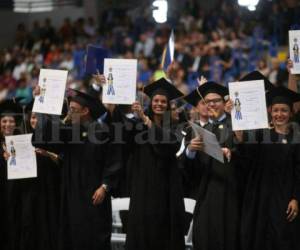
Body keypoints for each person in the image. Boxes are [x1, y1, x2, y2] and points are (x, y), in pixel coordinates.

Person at [33, 87, 122, 250]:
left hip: (94, 196)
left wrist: (104, 186)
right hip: (72, 195)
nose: (69, 113)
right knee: (72, 237)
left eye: (73, 110)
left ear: (85, 111)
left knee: (94, 238)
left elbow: (114, 161)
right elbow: (41, 140)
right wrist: (41, 103)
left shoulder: (104, 132)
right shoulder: (69, 132)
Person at [125, 77, 186, 250]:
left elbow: (170, 145)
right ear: (150, 103)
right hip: (143, 187)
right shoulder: (137, 125)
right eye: (156, 100)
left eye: (163, 101)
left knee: (164, 233)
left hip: (166, 188)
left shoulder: (175, 126)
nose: (159, 104)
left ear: (168, 105)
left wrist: (145, 119)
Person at [182, 81, 241, 250]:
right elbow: (190, 172)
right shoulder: (200, 130)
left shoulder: (235, 125)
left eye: (216, 100)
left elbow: (247, 154)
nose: (212, 104)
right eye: (208, 102)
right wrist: (190, 152)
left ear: (224, 103)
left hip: (229, 193)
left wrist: (232, 152)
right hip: (205, 194)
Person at [240, 86, 300, 250]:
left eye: (284, 110)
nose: (279, 114)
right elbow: (246, 154)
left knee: (282, 237)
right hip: (260, 196)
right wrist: (236, 114)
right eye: (276, 110)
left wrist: (296, 198)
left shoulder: (296, 139)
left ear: (291, 113)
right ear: (270, 112)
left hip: (284, 198)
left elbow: (298, 171)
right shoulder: (261, 135)